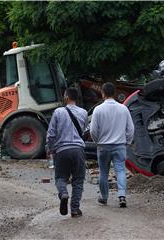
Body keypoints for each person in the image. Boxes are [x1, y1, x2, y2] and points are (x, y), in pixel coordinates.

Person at [90, 82, 134, 208]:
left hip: (103, 146)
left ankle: (104, 197)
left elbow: (93, 130)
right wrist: (128, 142)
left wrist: (97, 141)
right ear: (114, 93)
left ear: (102, 93)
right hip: (120, 145)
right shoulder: (123, 108)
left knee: (103, 172)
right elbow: (130, 129)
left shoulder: (98, 110)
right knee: (120, 170)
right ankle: (122, 196)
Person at [46, 87, 88, 217]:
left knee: (60, 177)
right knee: (78, 180)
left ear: (66, 97)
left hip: (62, 150)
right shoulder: (84, 112)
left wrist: (50, 148)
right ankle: (75, 209)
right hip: (78, 150)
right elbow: (85, 131)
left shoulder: (58, 112)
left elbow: (51, 133)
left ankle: (63, 193)